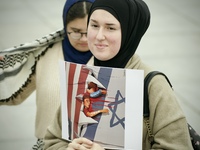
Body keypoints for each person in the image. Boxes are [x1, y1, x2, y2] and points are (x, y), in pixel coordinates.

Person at [44, 0, 193, 149]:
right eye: (94, 25)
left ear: (130, 32)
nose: (99, 36)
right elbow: (52, 141)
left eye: (110, 28)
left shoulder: (152, 84)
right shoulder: (81, 77)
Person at [0, 0, 94, 149]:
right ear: (65, 26)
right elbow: (14, 94)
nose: (83, 39)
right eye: (75, 31)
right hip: (48, 146)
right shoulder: (44, 54)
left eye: (89, 32)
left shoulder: (110, 58)